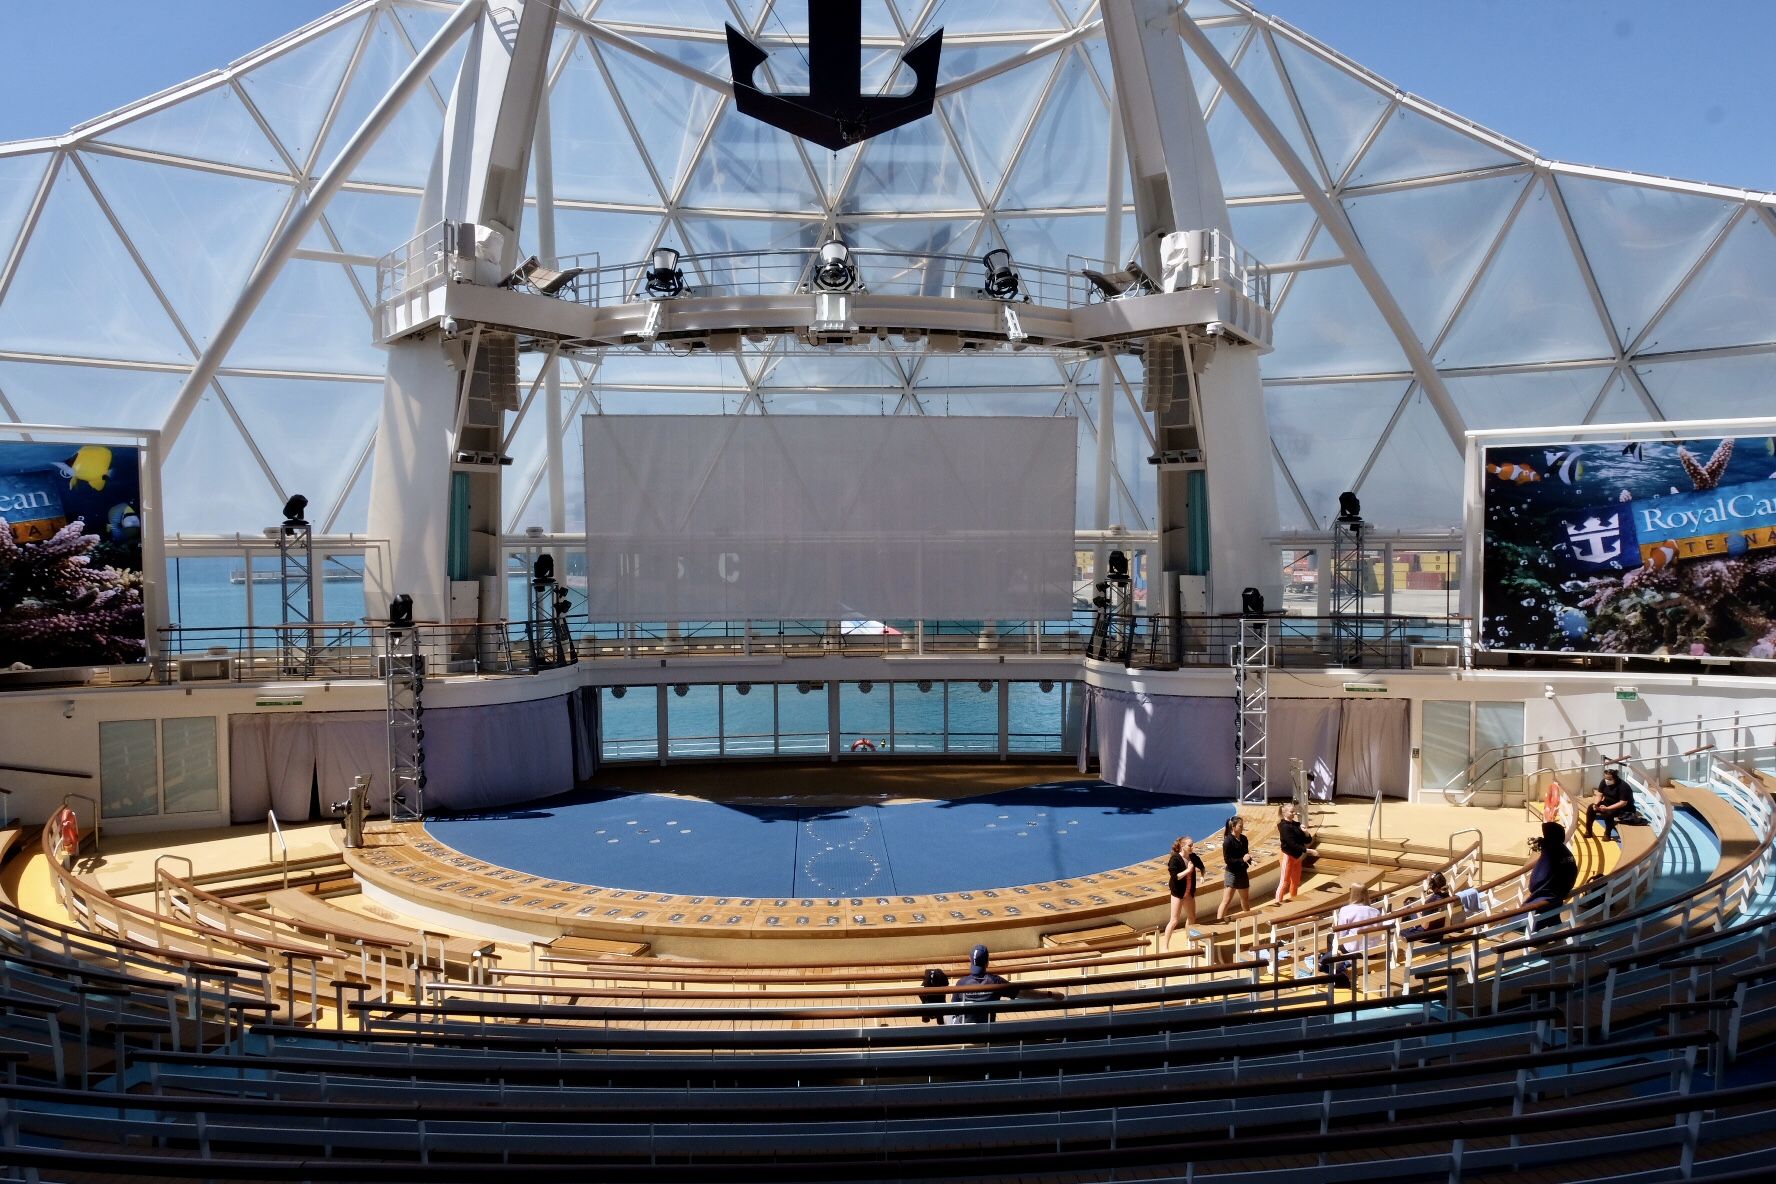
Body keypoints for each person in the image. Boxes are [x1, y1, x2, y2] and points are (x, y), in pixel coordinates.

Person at [951, 944, 1020, 1023]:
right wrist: (1037, 995)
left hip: (965, 1029)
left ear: (970, 960)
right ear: (987, 963)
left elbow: (954, 1008)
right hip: (988, 1028)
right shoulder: (996, 981)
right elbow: (1018, 992)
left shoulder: (961, 983)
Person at [1525, 821, 1579, 919]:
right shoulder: (1565, 852)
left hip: (1546, 898)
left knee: (1525, 916)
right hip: (1560, 893)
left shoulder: (1551, 853)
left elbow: (1536, 882)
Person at [1162, 836, 1205, 949]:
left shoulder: (1193, 857)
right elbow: (1176, 877)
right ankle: (1165, 946)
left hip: (1189, 892)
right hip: (1178, 893)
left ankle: (1188, 940)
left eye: (1192, 845)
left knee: (1192, 917)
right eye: (1190, 845)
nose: (1192, 847)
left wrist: (1202, 876)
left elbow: (1202, 867)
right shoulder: (1175, 859)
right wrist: (1188, 870)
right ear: (1182, 846)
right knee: (1174, 920)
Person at [1401, 871, 1462, 943]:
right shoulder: (1449, 896)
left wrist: (1416, 910)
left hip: (1429, 936)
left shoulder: (1431, 903)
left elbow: (1425, 926)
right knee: (1410, 905)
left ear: (1431, 885)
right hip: (1441, 929)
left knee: (1409, 905)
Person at [1274, 802, 1313, 905]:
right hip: (1287, 857)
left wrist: (1306, 832)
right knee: (1284, 883)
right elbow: (1291, 844)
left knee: (1295, 883)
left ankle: (1293, 903)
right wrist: (1307, 850)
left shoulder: (1297, 825)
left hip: (1297, 858)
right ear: (1285, 812)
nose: (1294, 813)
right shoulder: (1284, 826)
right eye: (1292, 811)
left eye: (1294, 811)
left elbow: (1308, 840)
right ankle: (1278, 905)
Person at [1216, 816, 1251, 921]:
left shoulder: (1244, 839)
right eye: (1240, 826)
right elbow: (1228, 861)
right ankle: (1219, 923)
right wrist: (1242, 860)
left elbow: (1245, 853)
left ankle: (1249, 919)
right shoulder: (1227, 841)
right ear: (1233, 827)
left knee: (1245, 899)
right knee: (1226, 901)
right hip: (1232, 873)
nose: (1242, 828)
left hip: (1242, 872)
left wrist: (1250, 860)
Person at [1585, 766, 1634, 841]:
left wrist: (1607, 808)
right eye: (1606, 778)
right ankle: (1588, 831)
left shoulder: (1623, 786)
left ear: (1615, 778)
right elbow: (1599, 794)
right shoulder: (1603, 782)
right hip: (1608, 803)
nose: (1607, 780)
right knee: (1591, 808)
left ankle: (1607, 834)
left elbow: (1623, 803)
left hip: (1622, 808)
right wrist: (1596, 804)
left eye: (1609, 779)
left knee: (1609, 813)